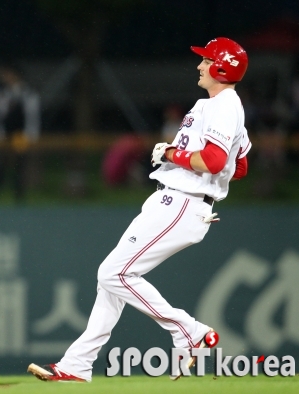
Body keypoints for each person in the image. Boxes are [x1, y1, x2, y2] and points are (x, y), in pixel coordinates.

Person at [28, 37, 251, 382]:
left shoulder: (225, 106)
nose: (200, 65)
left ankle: (188, 331)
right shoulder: (217, 105)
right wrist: (205, 176)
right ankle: (77, 365)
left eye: (206, 60)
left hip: (182, 202)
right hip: (176, 200)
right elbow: (240, 166)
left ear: (222, 67)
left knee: (113, 275)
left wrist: (172, 156)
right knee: (112, 282)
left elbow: (215, 160)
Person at [0, 62, 40, 201]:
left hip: (20, 134)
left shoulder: (27, 93)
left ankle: (19, 191)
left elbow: (32, 116)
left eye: (9, 75)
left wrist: (31, 135)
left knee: (20, 162)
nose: (6, 77)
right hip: (4, 134)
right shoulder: (2, 93)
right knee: (0, 161)